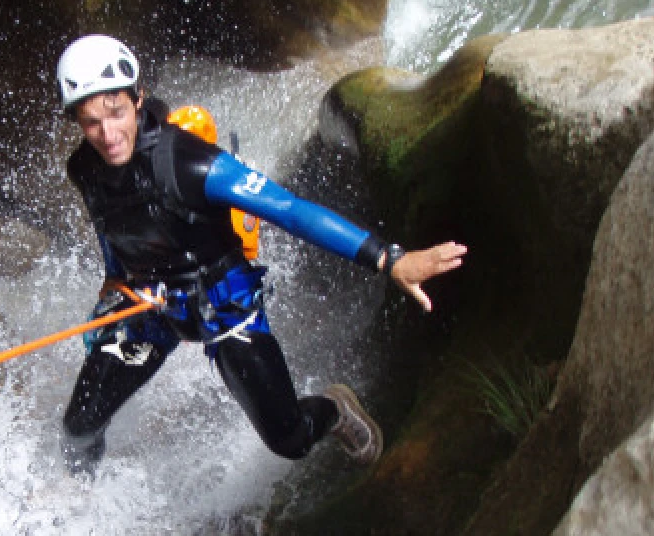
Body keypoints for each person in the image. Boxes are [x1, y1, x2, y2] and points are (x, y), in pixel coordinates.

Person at [55, 34, 466, 475]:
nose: (107, 133)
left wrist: (389, 259)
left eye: (116, 113)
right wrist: (114, 285)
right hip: (150, 305)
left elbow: (290, 211)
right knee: (78, 428)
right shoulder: (85, 169)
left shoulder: (192, 164)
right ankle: (79, 504)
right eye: (90, 121)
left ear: (138, 99)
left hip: (222, 304)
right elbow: (111, 230)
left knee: (289, 439)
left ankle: (335, 410)